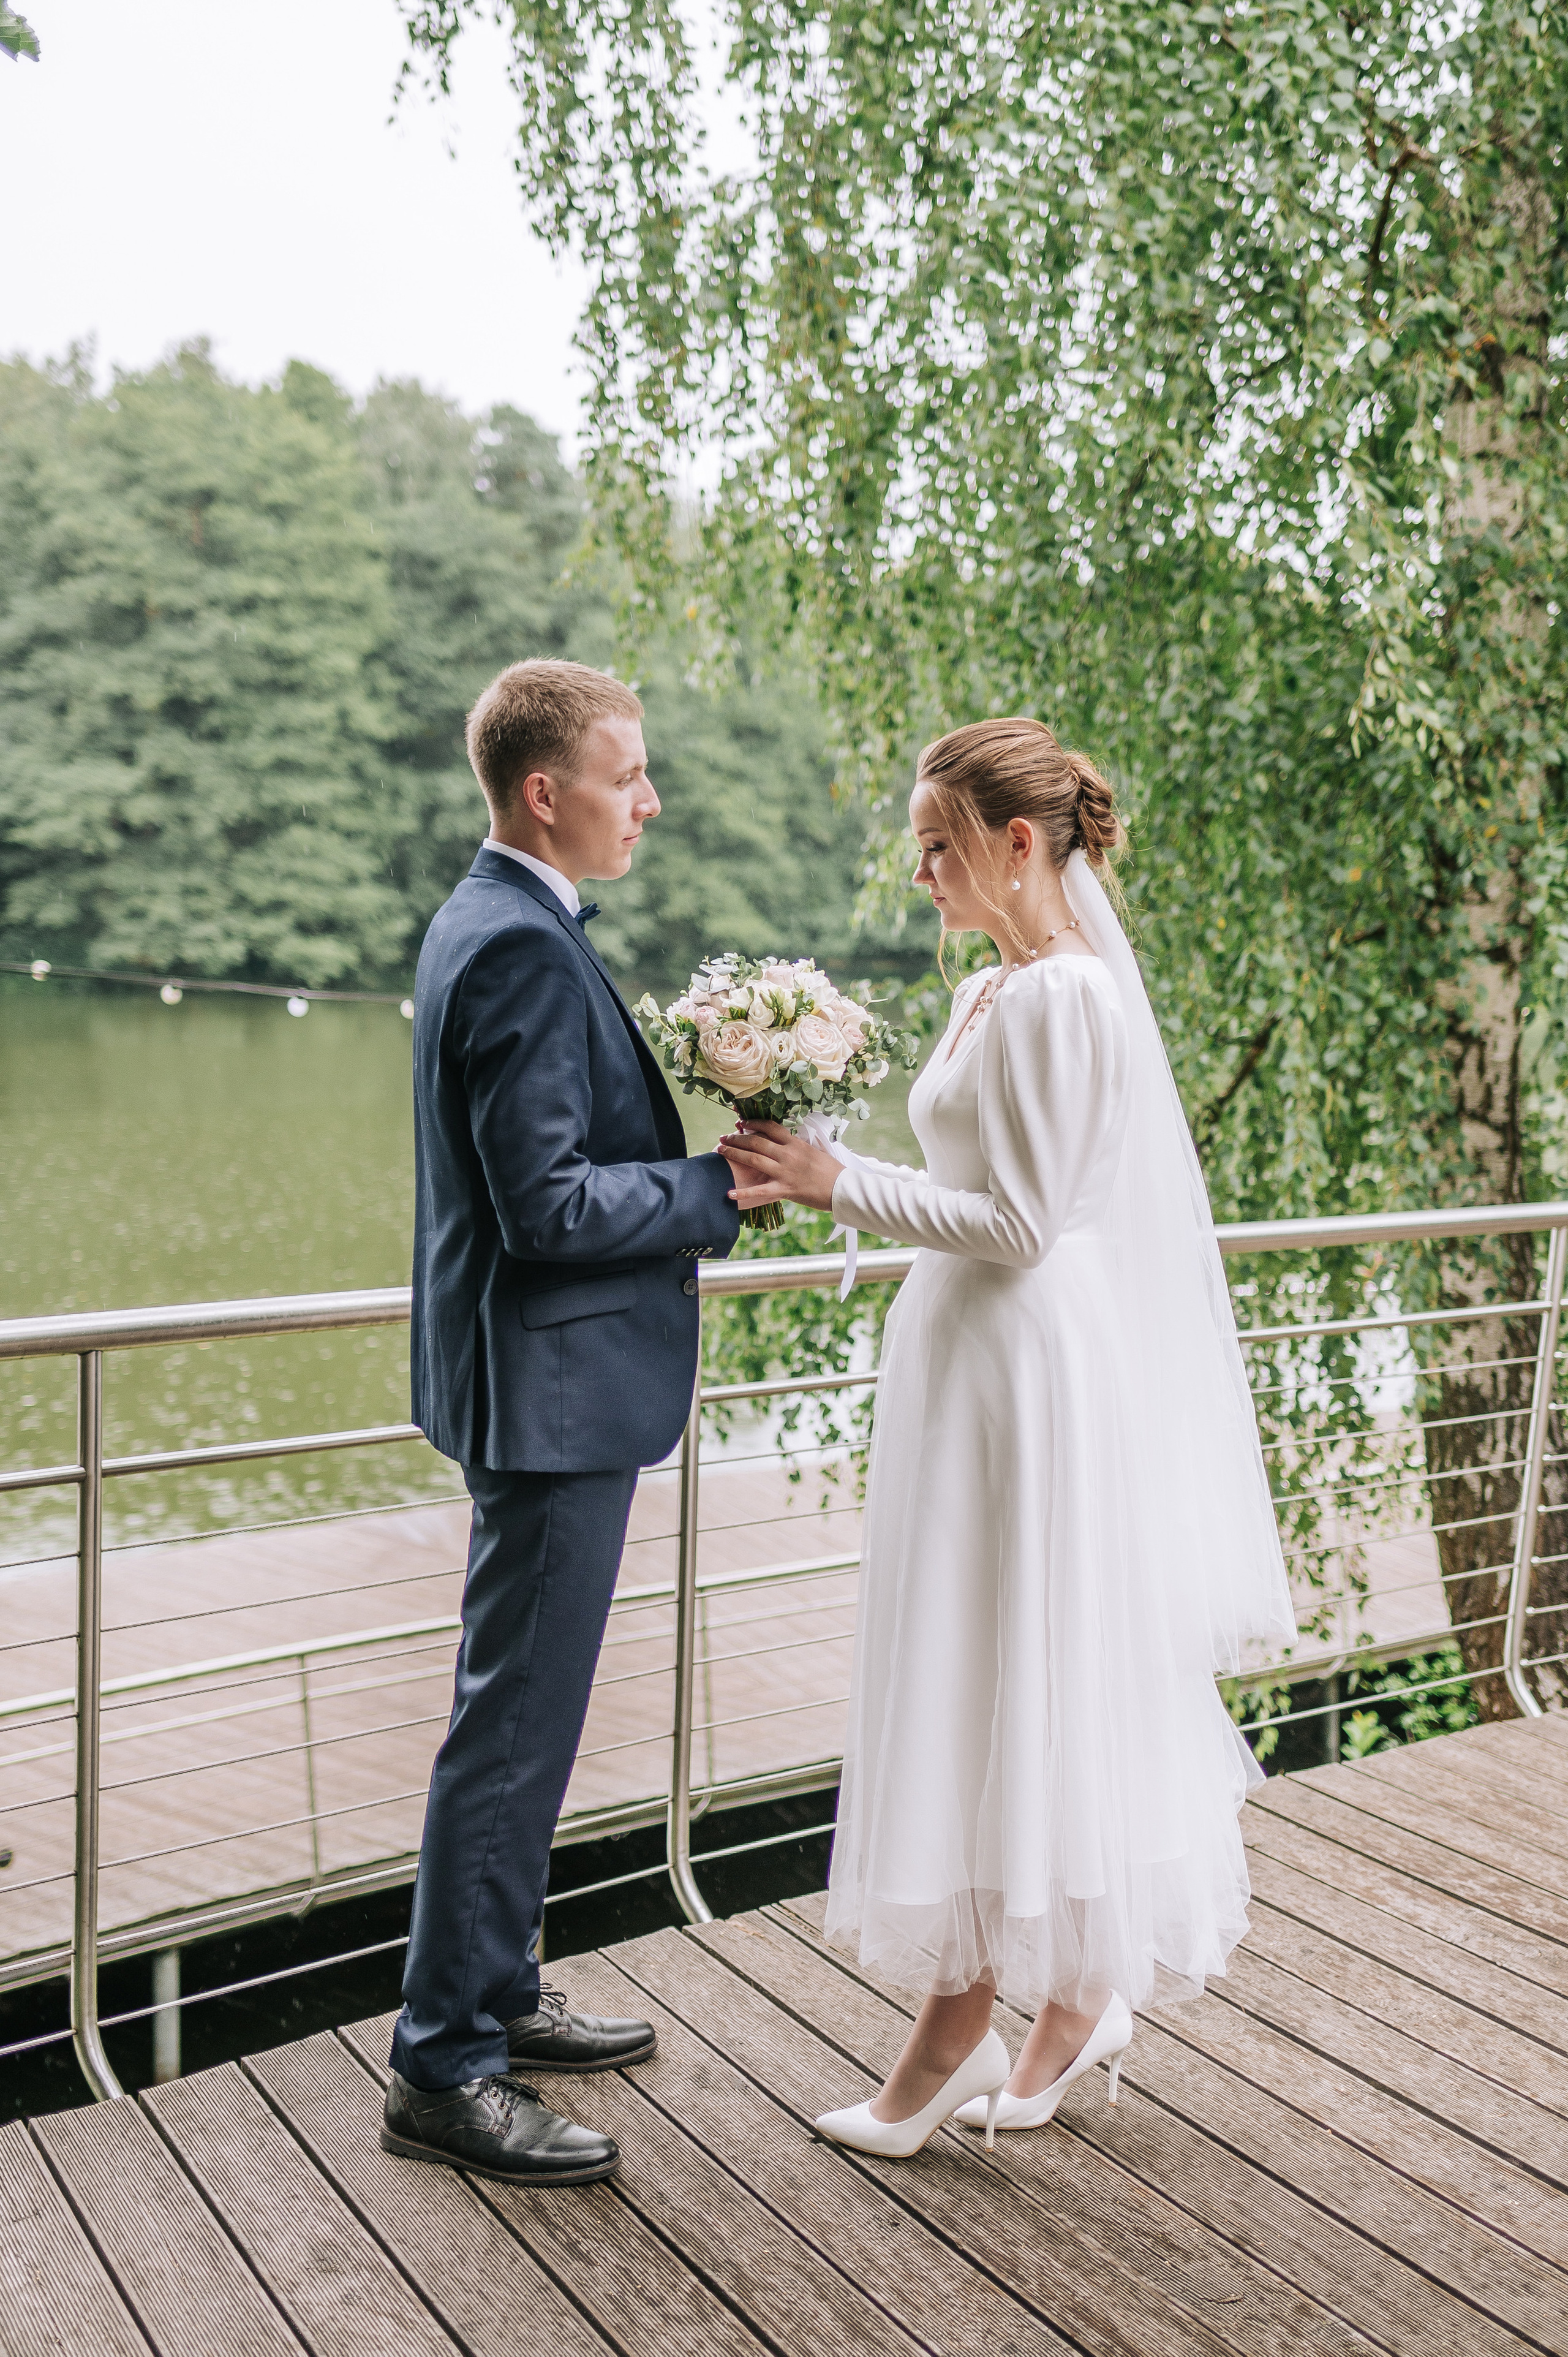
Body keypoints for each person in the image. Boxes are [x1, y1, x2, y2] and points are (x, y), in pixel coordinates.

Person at [719, 717, 1294, 2157]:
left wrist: (834, 1182)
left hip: (1023, 1364)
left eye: (937, 842)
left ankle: (962, 2022)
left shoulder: (1058, 1003)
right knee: (1006, 1657)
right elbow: (986, 1186)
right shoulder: (999, 988)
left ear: (1017, 843)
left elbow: (1028, 1227)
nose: (918, 867)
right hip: (974, 1363)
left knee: (1008, 1666)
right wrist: (833, 1172)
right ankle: (1071, 1995)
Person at [383, 659, 740, 2185]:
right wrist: (716, 1187)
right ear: (547, 789)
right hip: (546, 1400)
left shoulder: (495, 919)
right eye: (629, 773)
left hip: (530, 1386)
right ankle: (446, 2067)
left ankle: (500, 1989)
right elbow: (541, 1206)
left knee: (520, 1721)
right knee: (511, 1737)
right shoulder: (521, 946)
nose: (648, 800)